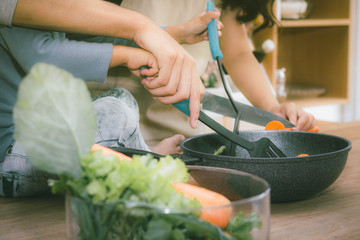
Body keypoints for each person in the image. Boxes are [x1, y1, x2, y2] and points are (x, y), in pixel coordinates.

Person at [0, 0, 216, 197]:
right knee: (115, 112)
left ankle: (139, 158)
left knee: (121, 99)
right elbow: (43, 57)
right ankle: (145, 165)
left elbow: (92, 37)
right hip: (13, 155)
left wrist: (176, 34)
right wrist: (127, 57)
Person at [115, 0, 316, 148]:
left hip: (181, 139)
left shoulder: (220, 5)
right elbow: (93, 45)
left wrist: (272, 107)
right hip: (113, 132)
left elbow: (238, 54)